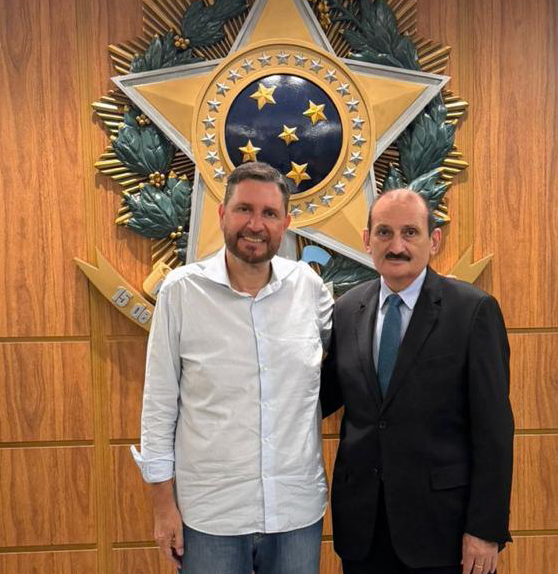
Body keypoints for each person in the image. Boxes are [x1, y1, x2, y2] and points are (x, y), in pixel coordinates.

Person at [132, 161, 333, 574]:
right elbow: (159, 406)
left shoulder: (308, 289)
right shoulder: (181, 292)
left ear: (286, 224)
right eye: (244, 209)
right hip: (211, 516)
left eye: (269, 213)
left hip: (295, 512)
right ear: (222, 214)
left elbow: (355, 358)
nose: (255, 225)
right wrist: (163, 508)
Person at [321, 188, 514, 574]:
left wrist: (485, 529)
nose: (397, 246)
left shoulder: (472, 311)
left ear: (434, 240)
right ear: (367, 240)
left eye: (410, 232)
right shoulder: (346, 310)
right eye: (384, 232)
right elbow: (321, 398)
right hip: (362, 530)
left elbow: (494, 430)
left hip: (443, 531)